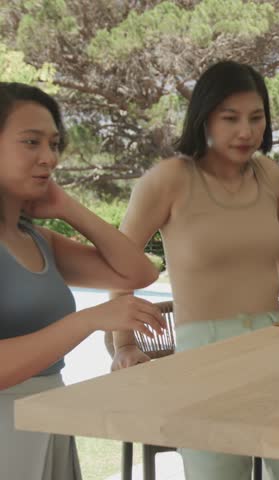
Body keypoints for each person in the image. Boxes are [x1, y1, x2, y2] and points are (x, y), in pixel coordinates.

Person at [108, 61, 279, 479]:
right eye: (230, 118)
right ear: (204, 117)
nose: (246, 131)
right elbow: (118, 264)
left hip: (273, 348)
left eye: (256, 117)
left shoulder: (270, 175)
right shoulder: (169, 179)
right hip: (202, 362)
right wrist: (124, 344)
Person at [0, 82, 162, 479]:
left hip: (46, 420)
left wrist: (67, 207)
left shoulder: (36, 238)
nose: (49, 157)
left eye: (54, 144)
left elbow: (138, 272)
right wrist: (88, 320)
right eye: (31, 142)